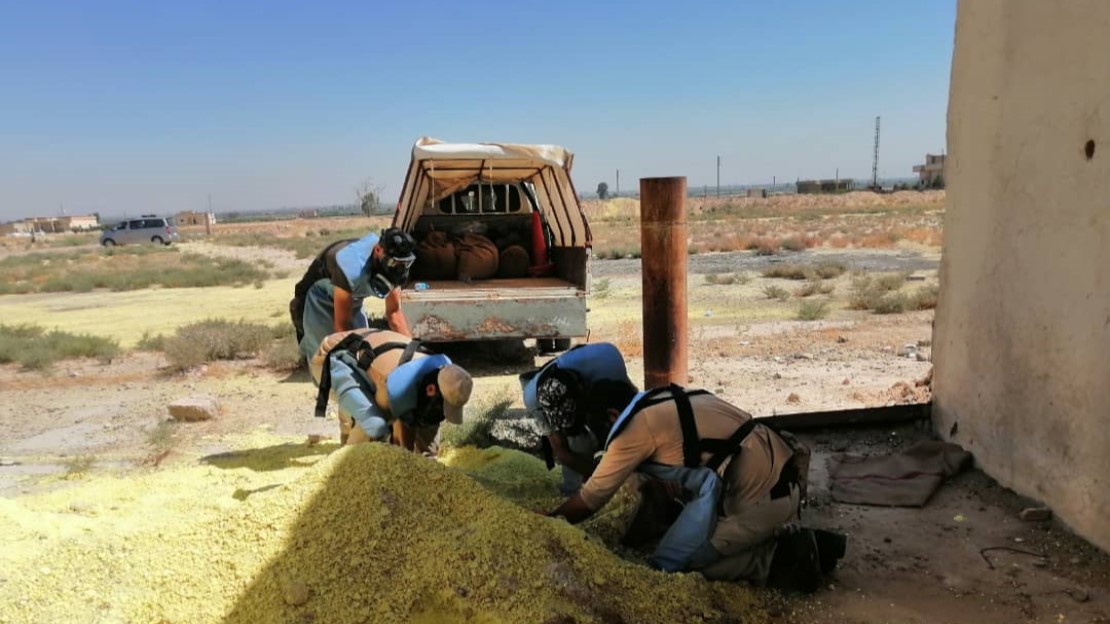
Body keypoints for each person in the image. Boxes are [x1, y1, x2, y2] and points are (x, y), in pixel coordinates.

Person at [543, 382, 845, 593]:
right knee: (683, 536)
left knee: (676, 566)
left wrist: (542, 524)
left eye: (596, 426)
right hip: (780, 474)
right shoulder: (662, 398)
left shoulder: (632, 430)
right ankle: (808, 539)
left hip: (759, 500)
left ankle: (782, 558)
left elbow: (591, 498)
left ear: (611, 415)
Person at [308, 328, 473, 453]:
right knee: (375, 426)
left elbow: (427, 424)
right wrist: (403, 452)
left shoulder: (443, 375)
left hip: (368, 356)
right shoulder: (395, 385)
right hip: (330, 359)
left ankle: (347, 427)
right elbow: (395, 424)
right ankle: (342, 469)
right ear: (431, 389)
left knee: (422, 421)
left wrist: (428, 455)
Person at [519, 342, 637, 495]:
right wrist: (599, 477)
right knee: (578, 444)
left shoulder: (609, 363)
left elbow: (631, 412)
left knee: (622, 431)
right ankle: (574, 492)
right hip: (570, 393)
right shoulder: (532, 399)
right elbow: (561, 451)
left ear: (581, 391)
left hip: (600, 376)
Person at [290, 228, 417, 361]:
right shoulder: (352, 268)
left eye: (405, 263)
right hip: (317, 296)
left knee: (360, 344)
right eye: (394, 263)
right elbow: (342, 327)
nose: (400, 269)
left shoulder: (396, 269)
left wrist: (413, 352)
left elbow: (394, 314)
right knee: (326, 360)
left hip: (348, 294)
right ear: (378, 251)